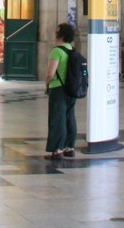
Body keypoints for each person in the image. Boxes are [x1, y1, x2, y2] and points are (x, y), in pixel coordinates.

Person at [43, 22, 78, 160]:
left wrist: (46, 83)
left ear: (60, 35)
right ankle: (70, 147)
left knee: (57, 119)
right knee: (70, 117)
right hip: (71, 88)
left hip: (58, 88)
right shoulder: (72, 50)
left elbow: (51, 73)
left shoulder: (56, 51)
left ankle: (57, 149)